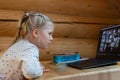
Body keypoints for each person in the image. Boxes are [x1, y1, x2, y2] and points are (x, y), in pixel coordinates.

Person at [0, 11, 54, 80]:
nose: (52, 38)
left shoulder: (20, 44)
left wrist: (36, 65)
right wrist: (39, 69)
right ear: (36, 33)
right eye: (49, 33)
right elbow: (31, 73)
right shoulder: (30, 48)